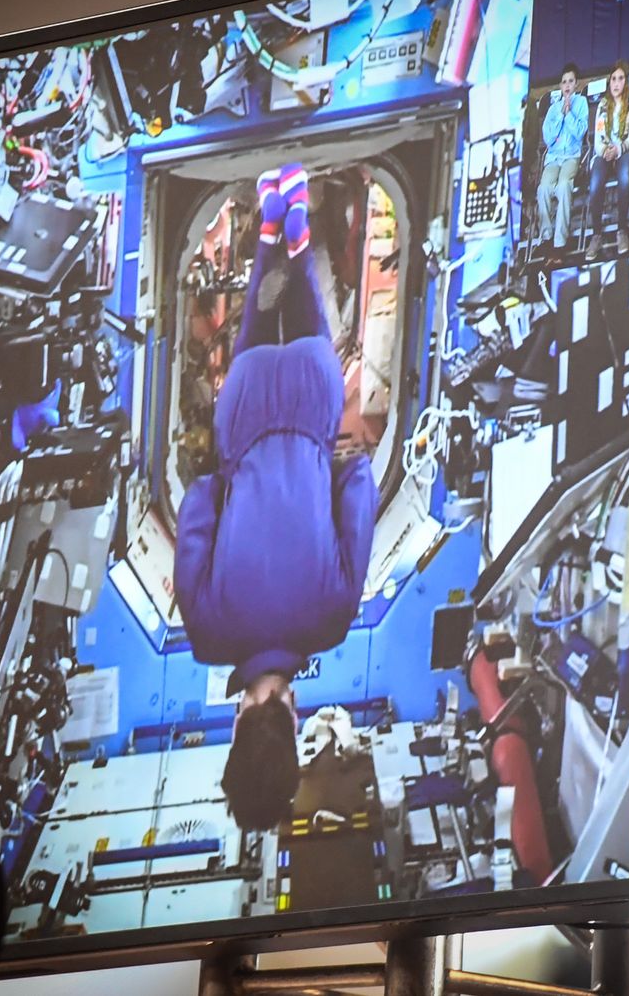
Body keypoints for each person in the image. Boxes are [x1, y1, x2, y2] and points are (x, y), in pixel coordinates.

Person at [174, 163, 377, 831]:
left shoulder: (332, 620)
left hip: (314, 404)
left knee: (310, 329)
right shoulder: (206, 631)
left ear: (295, 722)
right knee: (257, 338)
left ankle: (296, 235)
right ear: (237, 726)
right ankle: (268, 225)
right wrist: (232, 480)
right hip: (247, 409)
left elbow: (359, 489)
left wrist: (328, 473)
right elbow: (197, 505)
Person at [586, 61, 629, 260]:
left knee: (624, 177)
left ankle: (622, 230)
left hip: (626, 149)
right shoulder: (603, 104)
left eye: (621, 79)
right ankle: (596, 235)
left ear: (626, 81)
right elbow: (597, 139)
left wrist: (618, 150)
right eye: (613, 79)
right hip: (605, 151)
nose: (616, 83)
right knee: (595, 182)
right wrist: (605, 151)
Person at [536, 62, 589, 252]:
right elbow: (548, 138)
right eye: (564, 82)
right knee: (543, 188)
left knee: (564, 185)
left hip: (571, 156)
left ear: (576, 84)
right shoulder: (553, 109)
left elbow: (580, 132)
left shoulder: (581, 103)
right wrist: (560, 115)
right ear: (560, 85)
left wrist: (569, 115)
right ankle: (546, 236)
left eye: (571, 81)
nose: (567, 85)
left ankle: (560, 241)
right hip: (553, 158)